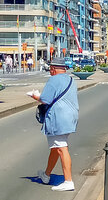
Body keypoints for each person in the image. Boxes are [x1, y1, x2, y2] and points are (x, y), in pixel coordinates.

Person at [33, 58, 79, 192]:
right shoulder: (71, 80)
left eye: (50, 69)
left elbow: (45, 99)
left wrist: (35, 96)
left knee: (61, 148)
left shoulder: (53, 80)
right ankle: (46, 175)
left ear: (53, 69)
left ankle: (68, 181)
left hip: (58, 118)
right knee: (56, 147)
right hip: (71, 116)